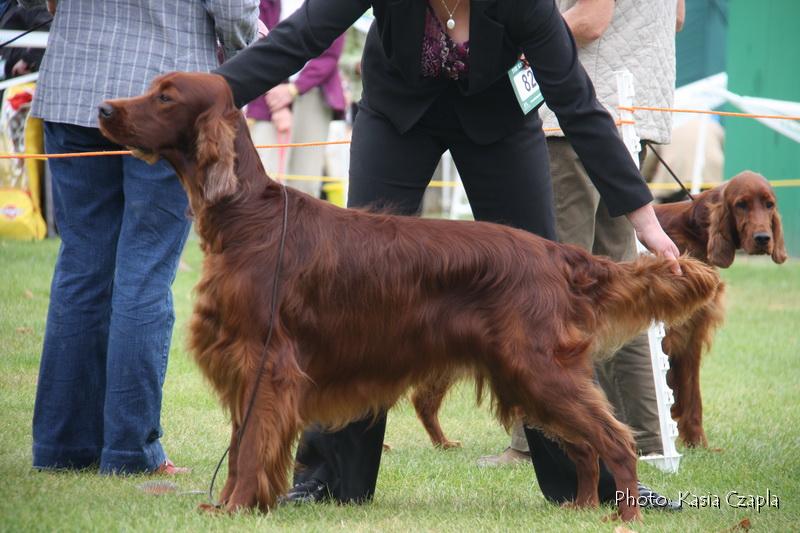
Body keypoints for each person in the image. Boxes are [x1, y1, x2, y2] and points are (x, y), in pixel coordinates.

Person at [214, 0, 681, 509]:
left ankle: (594, 480)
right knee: (354, 286)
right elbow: (299, 36)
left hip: (499, 122)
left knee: (537, 302)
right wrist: (213, 92)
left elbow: (575, 99)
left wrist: (646, 220)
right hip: (398, 115)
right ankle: (329, 476)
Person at [25, 0, 258, 475]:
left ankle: (62, 447)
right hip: (167, 105)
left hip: (74, 87)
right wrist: (243, 67)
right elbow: (234, 12)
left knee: (81, 268)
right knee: (144, 275)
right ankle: (130, 453)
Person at [479, 0, 686, 467]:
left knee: (544, 292)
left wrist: (517, 44)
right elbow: (676, 18)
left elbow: (590, 21)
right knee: (618, 289)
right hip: (629, 118)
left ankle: (534, 445)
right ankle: (646, 435)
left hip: (575, 121)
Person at [247, 0, 346, 197]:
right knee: (262, 179)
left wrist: (293, 90)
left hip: (313, 93)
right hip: (266, 91)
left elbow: (330, 54)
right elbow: (257, 41)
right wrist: (277, 100)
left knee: (305, 184)